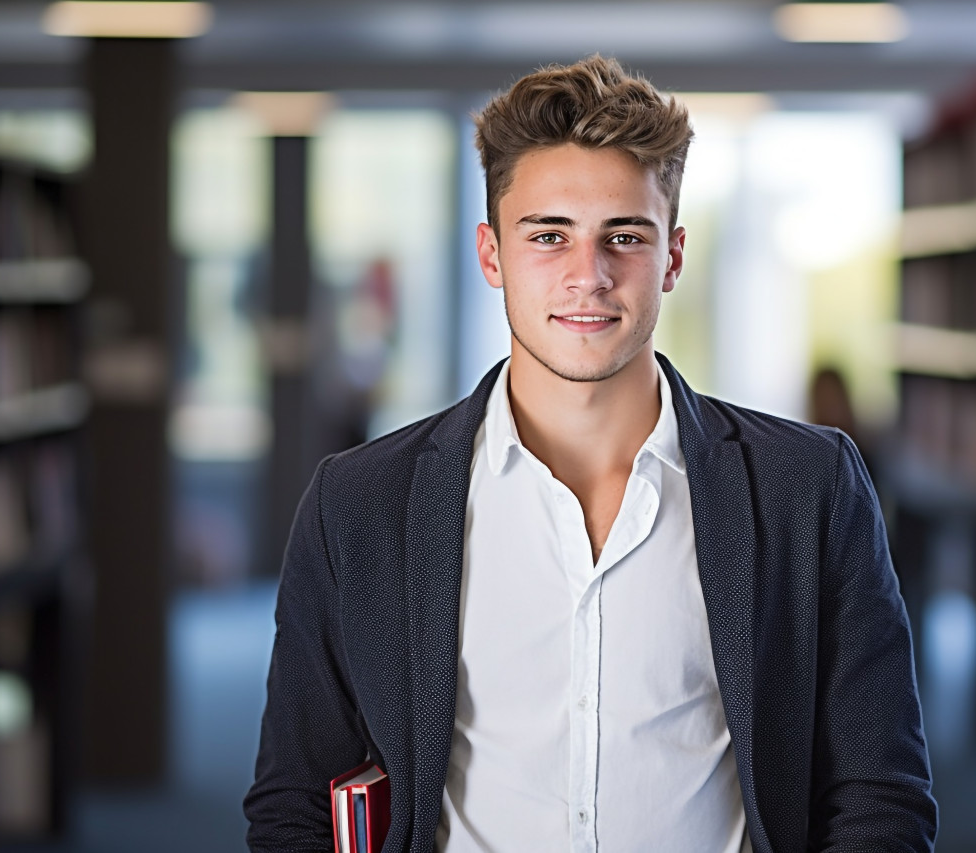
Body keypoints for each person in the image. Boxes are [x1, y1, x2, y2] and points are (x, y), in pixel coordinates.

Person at [244, 55, 936, 853]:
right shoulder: (358, 503)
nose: (589, 275)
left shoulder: (807, 489)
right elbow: (293, 804)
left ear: (672, 256)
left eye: (624, 236)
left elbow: (882, 797)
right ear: (492, 254)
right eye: (549, 236)